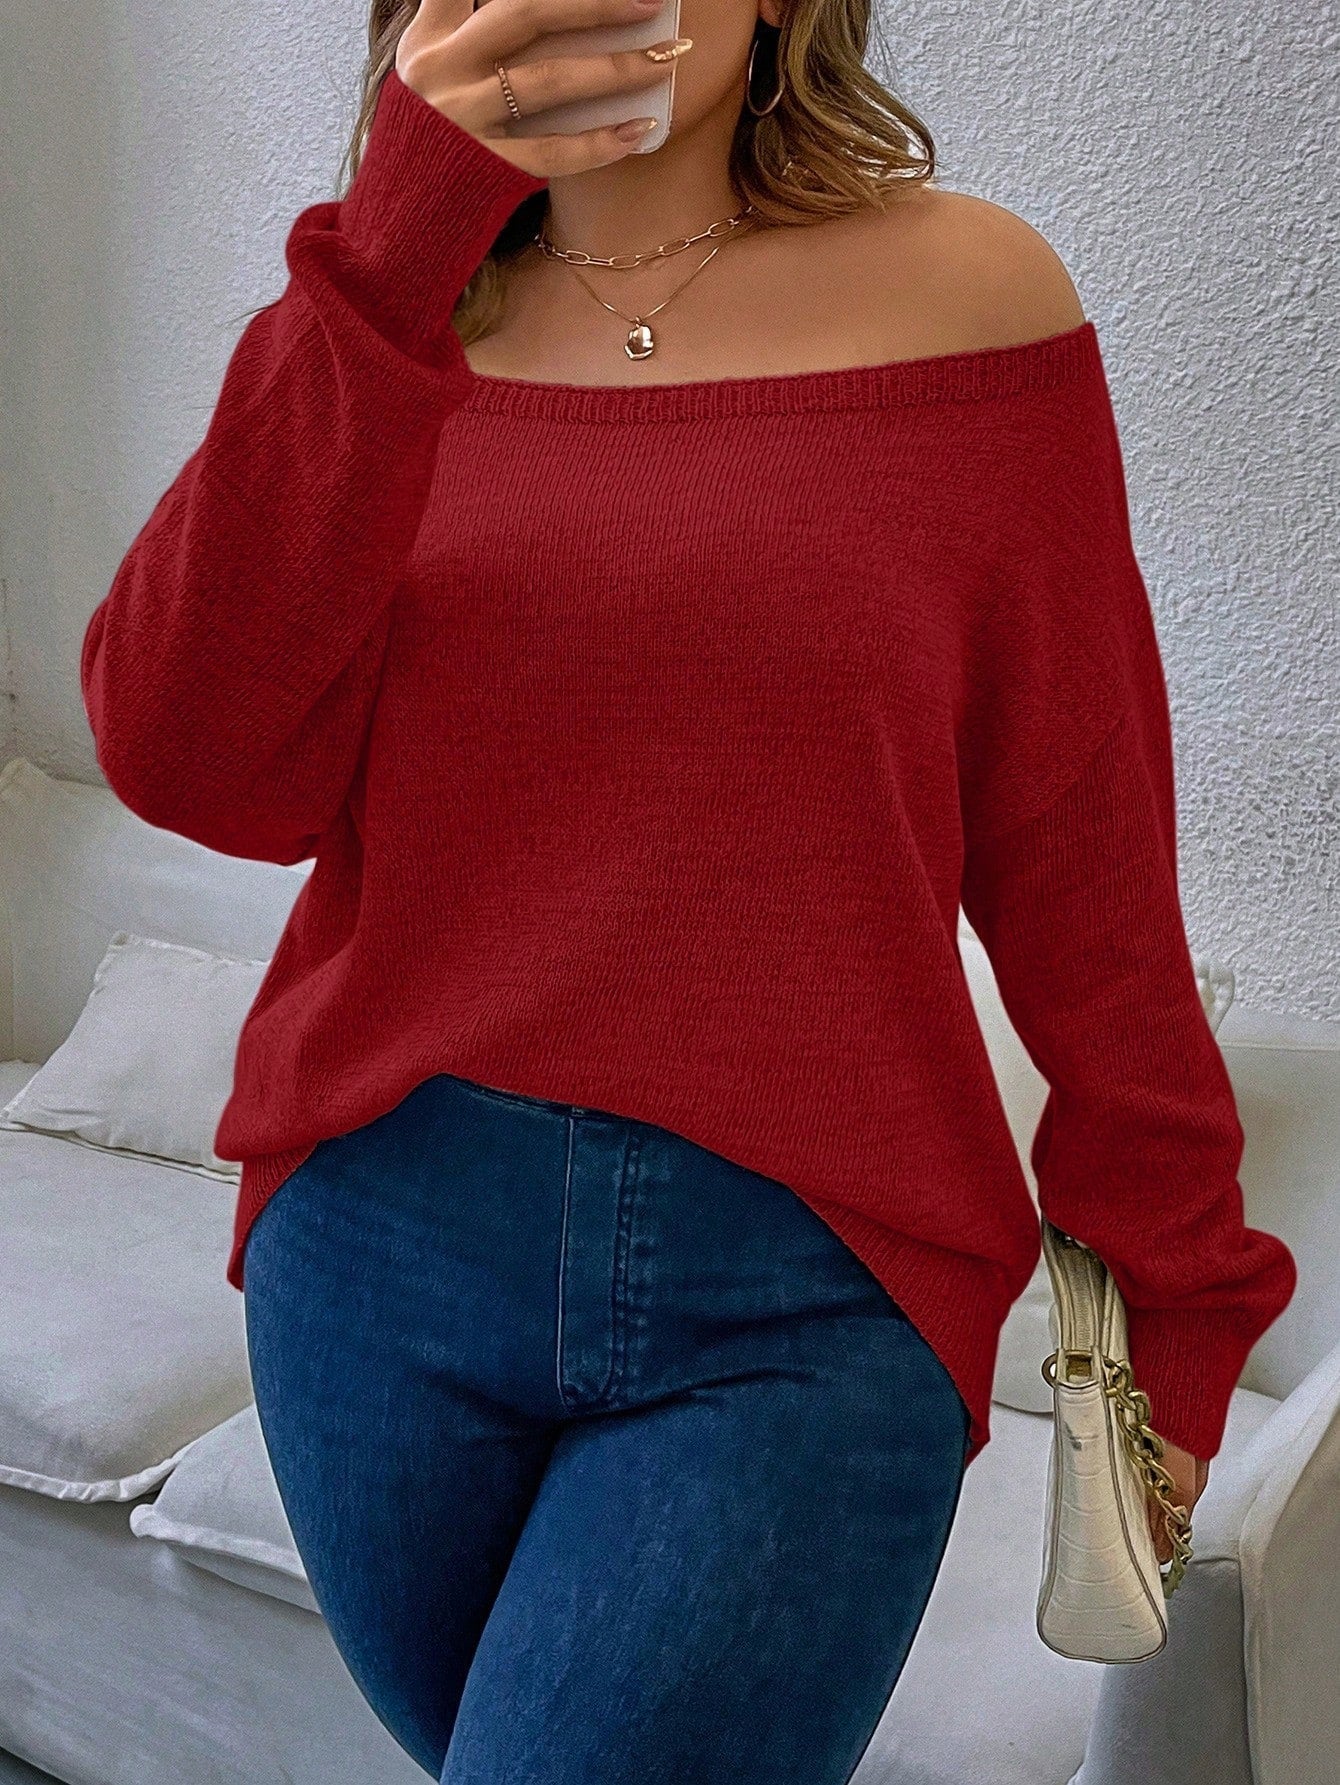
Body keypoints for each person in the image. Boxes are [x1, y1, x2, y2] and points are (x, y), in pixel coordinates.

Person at [80, 0, 1298, 1778]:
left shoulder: (974, 300)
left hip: (808, 1290)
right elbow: (191, 761)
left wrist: (1181, 1288)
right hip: (378, 1260)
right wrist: (397, 232)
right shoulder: (379, 326)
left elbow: (1084, 844)